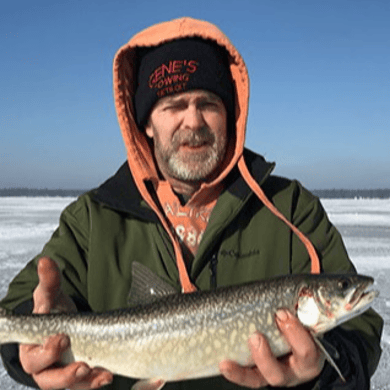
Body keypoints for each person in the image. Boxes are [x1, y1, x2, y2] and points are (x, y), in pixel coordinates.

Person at [0, 17, 383, 390]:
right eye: (173, 105)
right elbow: (20, 308)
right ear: (147, 122)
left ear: (230, 114)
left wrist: (324, 372)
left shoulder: (291, 209)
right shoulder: (91, 220)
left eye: (208, 103)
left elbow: (361, 338)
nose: (193, 121)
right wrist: (31, 353)